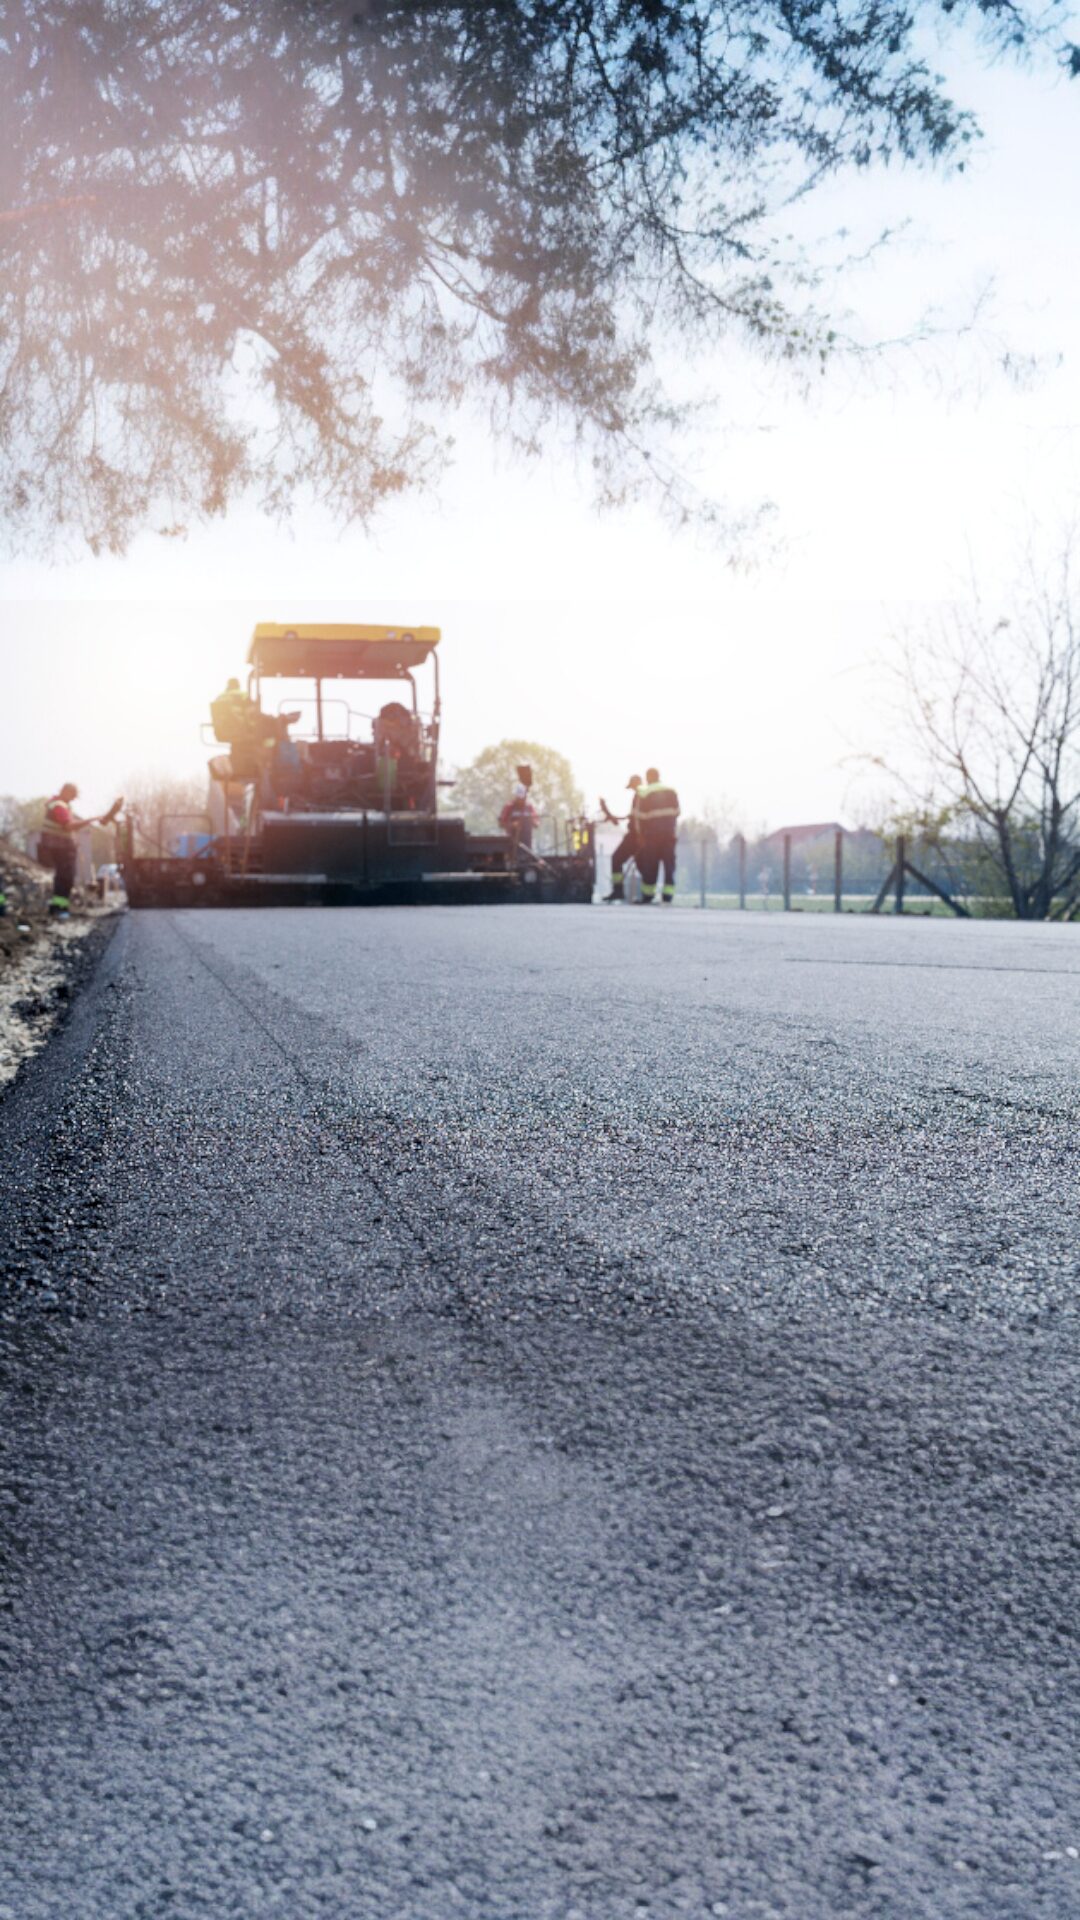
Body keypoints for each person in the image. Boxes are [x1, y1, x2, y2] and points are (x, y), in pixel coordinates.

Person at [39, 785, 123, 918]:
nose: (72, 799)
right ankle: (59, 909)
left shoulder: (57, 804)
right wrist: (92, 819)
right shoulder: (59, 806)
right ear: (66, 792)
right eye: (72, 796)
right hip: (59, 847)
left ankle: (60, 907)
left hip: (59, 847)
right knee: (65, 877)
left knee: (64, 877)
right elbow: (68, 826)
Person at [634, 767, 680, 904]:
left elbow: (639, 817)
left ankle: (648, 895)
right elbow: (677, 811)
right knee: (669, 864)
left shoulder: (644, 792)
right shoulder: (671, 790)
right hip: (669, 834)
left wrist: (640, 835)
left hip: (652, 835)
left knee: (650, 865)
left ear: (648, 777)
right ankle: (668, 895)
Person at [600, 774, 642, 902]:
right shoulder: (640, 796)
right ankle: (621, 891)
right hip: (639, 835)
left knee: (617, 859)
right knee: (642, 863)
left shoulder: (640, 796)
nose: (632, 789)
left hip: (635, 836)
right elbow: (634, 816)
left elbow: (637, 818)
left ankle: (618, 890)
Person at [500, 763, 538, 852]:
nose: (521, 800)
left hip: (527, 842)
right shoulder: (509, 807)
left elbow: (536, 820)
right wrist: (512, 825)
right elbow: (502, 822)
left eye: (523, 798)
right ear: (516, 796)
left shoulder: (529, 806)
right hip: (513, 843)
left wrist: (534, 822)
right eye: (520, 798)